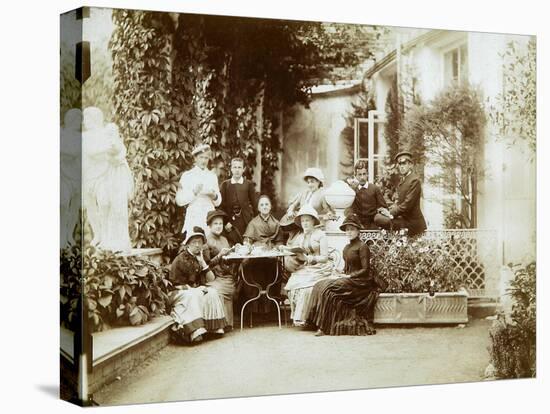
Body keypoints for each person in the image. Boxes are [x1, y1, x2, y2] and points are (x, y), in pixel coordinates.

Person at [307, 214, 386, 336]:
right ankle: (315, 323)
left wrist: (349, 276)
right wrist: (340, 273)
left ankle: (323, 327)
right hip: (349, 279)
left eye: (352, 229)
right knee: (319, 285)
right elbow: (346, 268)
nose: (349, 232)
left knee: (327, 289)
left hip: (360, 282)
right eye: (347, 229)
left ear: (358, 230)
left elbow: (365, 269)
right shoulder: (346, 248)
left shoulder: (362, 246)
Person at [169, 226, 227, 343]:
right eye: (194, 242)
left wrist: (203, 263)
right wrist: (194, 289)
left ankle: (213, 328)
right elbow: (174, 283)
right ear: (188, 245)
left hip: (195, 289)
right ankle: (195, 331)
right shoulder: (181, 259)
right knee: (194, 295)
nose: (197, 245)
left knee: (212, 292)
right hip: (179, 291)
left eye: (199, 242)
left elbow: (211, 279)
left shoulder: (201, 257)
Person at [283, 205, 334, 326]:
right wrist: (285, 249)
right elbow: (295, 250)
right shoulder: (300, 237)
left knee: (306, 287)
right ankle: (300, 316)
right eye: (302, 221)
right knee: (292, 283)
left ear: (313, 221)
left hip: (321, 267)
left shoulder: (321, 235)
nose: (304, 224)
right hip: (307, 268)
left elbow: (325, 258)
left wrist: (309, 258)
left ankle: (305, 318)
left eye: (307, 220)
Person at [240, 195, 285, 315]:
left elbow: (280, 241)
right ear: (258, 208)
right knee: (251, 269)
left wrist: (276, 248)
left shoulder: (276, 223)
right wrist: (247, 244)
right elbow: (247, 239)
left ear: (270, 207)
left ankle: (271, 308)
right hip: (257, 255)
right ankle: (255, 308)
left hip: (271, 255)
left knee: (275, 269)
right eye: (262, 205)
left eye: (266, 204)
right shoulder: (253, 223)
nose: (264, 207)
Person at [375, 151, 427, 236]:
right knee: (378, 216)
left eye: (404, 164)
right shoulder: (402, 181)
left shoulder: (414, 181)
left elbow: (407, 205)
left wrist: (390, 213)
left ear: (410, 165)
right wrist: (387, 210)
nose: (402, 167)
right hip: (404, 220)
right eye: (400, 164)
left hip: (413, 223)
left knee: (378, 219)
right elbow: (399, 203)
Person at [175, 143, 222, 235]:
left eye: (206, 158)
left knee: (209, 244)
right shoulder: (187, 176)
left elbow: (218, 201)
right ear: (195, 158)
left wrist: (214, 196)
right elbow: (179, 201)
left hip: (209, 215)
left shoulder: (212, 176)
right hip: (194, 215)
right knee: (195, 242)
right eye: (201, 157)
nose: (204, 161)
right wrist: (194, 193)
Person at [204, 210, 238, 329]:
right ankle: (219, 325)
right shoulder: (206, 241)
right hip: (214, 277)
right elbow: (206, 265)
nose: (219, 226)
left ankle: (227, 323)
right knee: (219, 289)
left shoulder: (224, 239)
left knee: (233, 286)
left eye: (220, 224)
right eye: (215, 224)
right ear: (209, 226)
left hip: (227, 275)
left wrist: (234, 252)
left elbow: (229, 259)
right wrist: (219, 256)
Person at [219, 157, 258, 245]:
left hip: (245, 221)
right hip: (230, 222)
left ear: (243, 169)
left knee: (246, 244)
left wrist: (255, 223)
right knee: (232, 244)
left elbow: (255, 205)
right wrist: (225, 222)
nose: (237, 170)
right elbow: (220, 206)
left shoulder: (248, 184)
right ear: (231, 169)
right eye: (235, 167)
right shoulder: (225, 185)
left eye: (239, 167)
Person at [345, 160, 389, 230]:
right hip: (358, 225)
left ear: (367, 174)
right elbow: (350, 209)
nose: (362, 177)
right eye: (359, 174)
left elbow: (384, 207)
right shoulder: (353, 191)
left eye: (364, 174)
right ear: (355, 176)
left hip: (373, 224)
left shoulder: (374, 189)